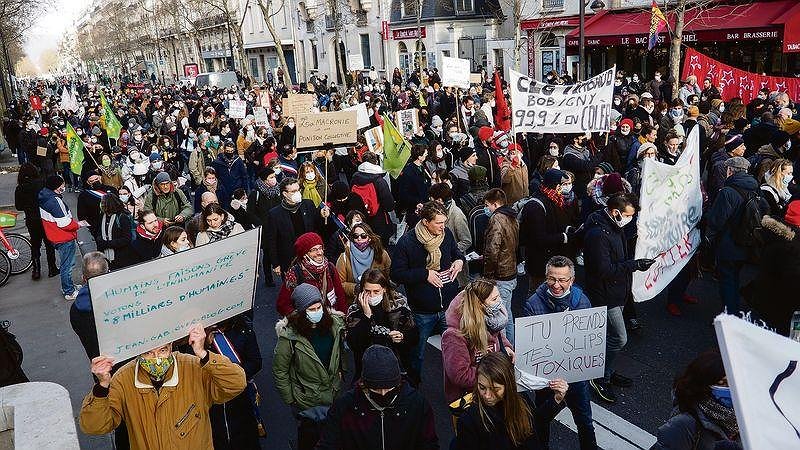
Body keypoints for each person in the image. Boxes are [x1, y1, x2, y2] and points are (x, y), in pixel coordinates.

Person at [79, 324, 247, 450]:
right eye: (148, 353)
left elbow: (236, 384)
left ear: (171, 348)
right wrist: (102, 387)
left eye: (163, 351)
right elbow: (94, 426)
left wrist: (204, 354)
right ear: (138, 353)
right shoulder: (123, 379)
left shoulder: (193, 367)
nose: (156, 359)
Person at [521, 256, 598, 449]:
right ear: (546, 277)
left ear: (571, 280)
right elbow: (529, 346)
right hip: (546, 380)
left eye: (562, 280)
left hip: (576, 378)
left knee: (585, 423)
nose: (556, 284)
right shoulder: (532, 304)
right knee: (541, 422)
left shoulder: (583, 302)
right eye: (552, 279)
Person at [584, 194, 655, 403]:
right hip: (606, 294)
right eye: (628, 215)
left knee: (608, 336)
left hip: (617, 290)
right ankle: (598, 376)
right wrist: (634, 265)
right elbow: (604, 270)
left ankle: (605, 370)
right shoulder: (599, 234)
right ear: (616, 212)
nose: (629, 219)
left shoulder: (614, 226)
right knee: (619, 338)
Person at [392, 201, 466, 380]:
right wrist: (424, 274)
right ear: (426, 221)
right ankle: (414, 385)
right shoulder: (407, 242)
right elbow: (396, 274)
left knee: (456, 351)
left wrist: (459, 261)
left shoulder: (446, 234)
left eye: (444, 222)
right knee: (418, 354)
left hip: (448, 307)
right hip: (422, 311)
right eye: (439, 223)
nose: (443, 226)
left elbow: (456, 253)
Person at [316, 345, 438, 450]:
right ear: (363, 384)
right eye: (376, 389)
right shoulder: (344, 407)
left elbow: (429, 444)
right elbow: (328, 444)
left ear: (399, 383)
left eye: (389, 389)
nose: (383, 394)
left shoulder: (417, 404)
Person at [272, 283, 346, 450]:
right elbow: (280, 370)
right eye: (311, 309)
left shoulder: (334, 325)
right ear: (301, 312)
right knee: (309, 439)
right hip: (306, 400)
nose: (317, 312)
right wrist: (291, 399)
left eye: (319, 307)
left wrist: (341, 372)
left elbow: (339, 352)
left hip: (332, 392)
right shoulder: (289, 337)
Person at [451, 352, 568, 450]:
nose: (487, 395)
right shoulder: (469, 420)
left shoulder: (521, 400)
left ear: (508, 385)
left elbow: (534, 422)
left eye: (495, 389)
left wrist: (556, 400)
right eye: (482, 387)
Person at [705, 157, 764, 315]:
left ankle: (730, 314)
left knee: (727, 281)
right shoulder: (754, 187)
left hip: (728, 244)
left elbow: (716, 220)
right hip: (747, 242)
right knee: (735, 277)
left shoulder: (727, 191)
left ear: (730, 170)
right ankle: (734, 309)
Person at [442, 278, 514, 404]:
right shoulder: (454, 336)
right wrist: (494, 373)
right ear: (480, 305)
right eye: (494, 299)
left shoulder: (490, 318)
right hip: (472, 397)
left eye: (498, 296)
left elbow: (498, 336)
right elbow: (460, 375)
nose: (500, 302)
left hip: (493, 388)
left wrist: (506, 347)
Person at [652, 350, 742, 450]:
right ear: (704, 385)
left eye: (733, 382)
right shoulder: (683, 425)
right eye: (723, 384)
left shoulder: (740, 417)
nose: (730, 389)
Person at [345, 269, 419, 383]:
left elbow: (414, 335)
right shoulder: (355, 310)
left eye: (376, 291)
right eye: (367, 291)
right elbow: (354, 344)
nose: (372, 295)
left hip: (398, 363)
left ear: (384, 289)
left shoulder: (398, 304)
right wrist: (366, 316)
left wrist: (402, 336)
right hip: (367, 365)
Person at [520, 169, 575, 288]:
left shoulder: (555, 200)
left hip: (552, 259)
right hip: (539, 263)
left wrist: (567, 229)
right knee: (538, 293)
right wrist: (563, 237)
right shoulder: (535, 206)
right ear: (554, 185)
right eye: (561, 185)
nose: (563, 188)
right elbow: (538, 238)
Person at [265, 177, 329, 276]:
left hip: (311, 256)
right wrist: (275, 264)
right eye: (293, 191)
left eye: (298, 190)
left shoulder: (308, 204)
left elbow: (318, 227)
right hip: (290, 259)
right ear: (285, 194)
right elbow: (271, 240)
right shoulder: (275, 214)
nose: (297, 193)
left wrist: (322, 216)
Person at [276, 232, 348, 317]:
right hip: (308, 322)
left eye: (320, 248)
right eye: (314, 250)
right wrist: (301, 317)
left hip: (331, 318)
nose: (319, 252)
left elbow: (340, 296)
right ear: (304, 253)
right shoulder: (295, 274)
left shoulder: (330, 267)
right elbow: (282, 305)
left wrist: (344, 316)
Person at [482, 188, 519, 344]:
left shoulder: (497, 219)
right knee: (507, 313)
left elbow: (493, 248)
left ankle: (504, 350)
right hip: (511, 271)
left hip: (500, 275)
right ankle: (511, 346)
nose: (486, 208)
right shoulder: (512, 217)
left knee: (499, 317)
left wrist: (488, 275)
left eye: (487, 205)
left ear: (495, 204)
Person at [39, 174, 81, 300]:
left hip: (54, 236)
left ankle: (69, 287)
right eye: (62, 184)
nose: (64, 186)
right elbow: (65, 223)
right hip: (64, 237)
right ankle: (69, 291)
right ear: (57, 187)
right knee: (67, 265)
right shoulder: (55, 201)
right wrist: (78, 225)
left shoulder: (43, 196)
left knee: (65, 264)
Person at [14, 163, 57, 279]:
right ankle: (52, 268)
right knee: (49, 243)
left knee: (35, 244)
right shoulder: (40, 184)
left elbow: (18, 206)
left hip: (31, 219)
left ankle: (36, 270)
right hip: (43, 217)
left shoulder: (20, 188)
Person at [335, 222, 391, 305]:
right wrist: (356, 288)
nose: (359, 238)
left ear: (369, 237)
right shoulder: (344, 258)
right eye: (356, 236)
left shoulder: (381, 254)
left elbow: (389, 275)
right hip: (356, 302)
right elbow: (339, 283)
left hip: (379, 299)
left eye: (363, 236)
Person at [69, 252, 109, 361]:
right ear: (107, 274)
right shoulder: (117, 301)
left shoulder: (75, 309)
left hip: (99, 362)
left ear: (84, 278)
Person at [350, 152, 395, 243]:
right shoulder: (379, 181)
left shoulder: (354, 177)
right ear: (376, 162)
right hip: (378, 219)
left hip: (361, 218)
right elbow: (389, 205)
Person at [249, 167, 282, 286]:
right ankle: (268, 278)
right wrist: (262, 224)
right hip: (265, 230)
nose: (274, 179)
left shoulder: (277, 190)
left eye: (274, 176)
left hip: (277, 227)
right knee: (267, 254)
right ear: (264, 180)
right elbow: (250, 213)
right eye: (271, 177)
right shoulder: (255, 193)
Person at [95, 193, 135, 270]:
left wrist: (108, 244)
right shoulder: (102, 216)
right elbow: (98, 231)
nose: (101, 205)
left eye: (103, 203)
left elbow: (127, 239)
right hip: (105, 256)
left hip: (122, 257)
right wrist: (100, 240)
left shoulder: (122, 217)